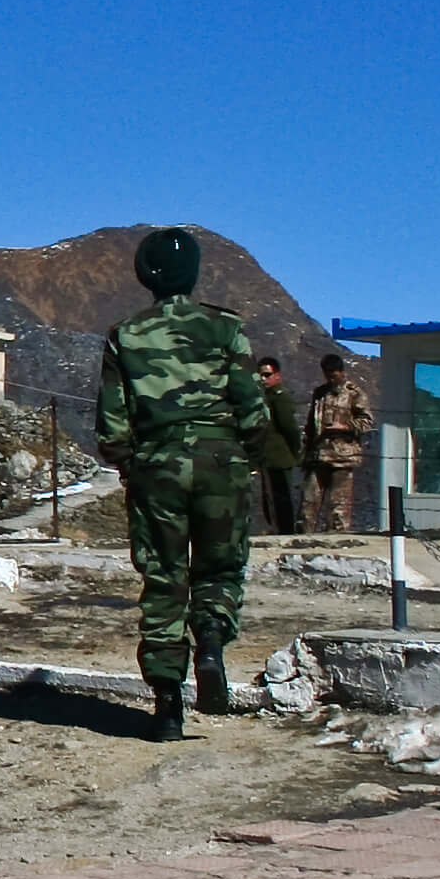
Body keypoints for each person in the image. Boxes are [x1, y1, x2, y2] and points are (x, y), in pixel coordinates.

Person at [96, 228, 269, 740]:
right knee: (219, 567)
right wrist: (248, 456)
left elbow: (112, 418)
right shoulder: (225, 328)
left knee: (164, 578)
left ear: (144, 275)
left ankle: (168, 701)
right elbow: (251, 406)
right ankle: (211, 642)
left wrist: (129, 462)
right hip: (222, 459)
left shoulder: (124, 334)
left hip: (157, 463)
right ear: (193, 274)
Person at [303, 354, 374, 532]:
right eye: (327, 374)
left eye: (333, 375)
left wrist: (345, 426)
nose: (330, 378)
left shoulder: (354, 394)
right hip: (319, 455)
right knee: (309, 502)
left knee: (338, 507)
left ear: (342, 372)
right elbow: (311, 424)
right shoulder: (320, 393)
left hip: (343, 456)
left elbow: (366, 421)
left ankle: (336, 539)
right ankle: (304, 535)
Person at [252, 356, 304, 536]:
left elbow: (289, 428)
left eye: (267, 375)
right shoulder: (263, 398)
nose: (264, 379)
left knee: (281, 498)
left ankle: (285, 532)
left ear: (277, 376)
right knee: (270, 499)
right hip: (267, 456)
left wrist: (295, 451)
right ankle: (276, 529)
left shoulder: (279, 399)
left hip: (280, 456)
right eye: (261, 376)